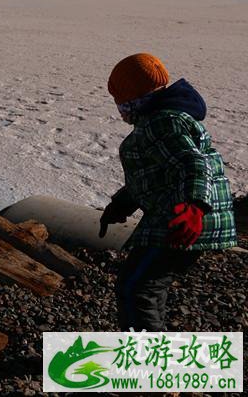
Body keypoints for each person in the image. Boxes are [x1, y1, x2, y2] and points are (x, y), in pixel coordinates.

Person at [99, 53, 237, 331]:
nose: (119, 107)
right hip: (180, 216)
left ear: (132, 97)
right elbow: (156, 175)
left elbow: (193, 163)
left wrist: (195, 207)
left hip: (182, 220)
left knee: (136, 288)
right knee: (146, 285)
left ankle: (147, 359)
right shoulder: (162, 120)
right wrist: (121, 204)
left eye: (120, 99)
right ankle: (154, 346)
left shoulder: (163, 123)